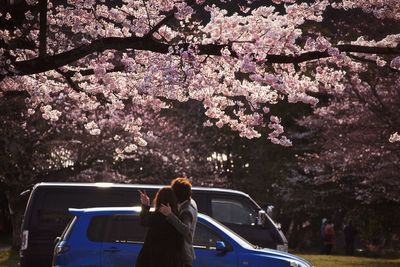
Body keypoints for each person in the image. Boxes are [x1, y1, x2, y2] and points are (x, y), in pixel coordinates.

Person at [136, 187, 183, 267]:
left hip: (152, 260)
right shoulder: (176, 218)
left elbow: (143, 221)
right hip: (170, 260)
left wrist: (145, 205)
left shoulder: (156, 216)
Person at [160, 177, 198, 267]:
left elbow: (185, 230)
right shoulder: (191, 202)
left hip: (183, 256)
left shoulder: (186, 211)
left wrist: (170, 215)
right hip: (185, 254)